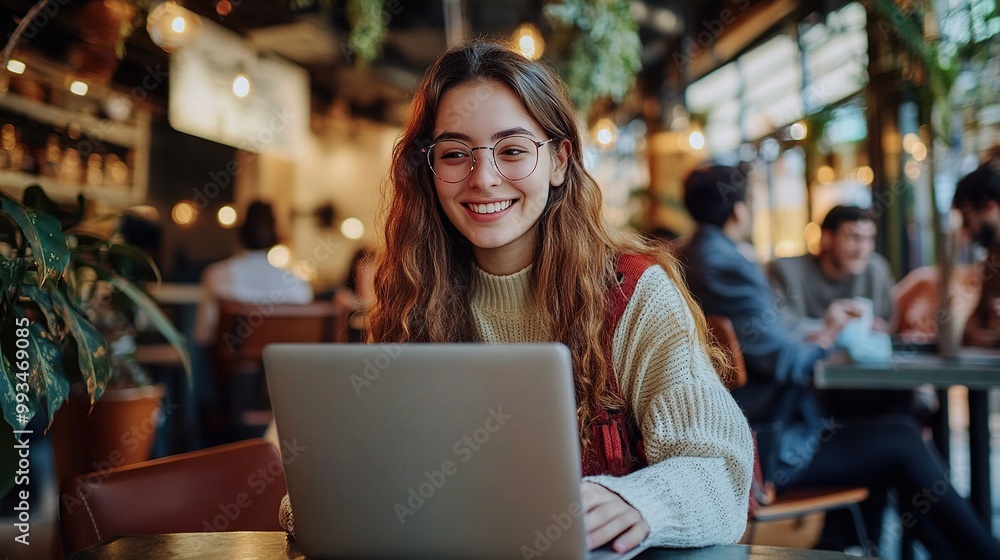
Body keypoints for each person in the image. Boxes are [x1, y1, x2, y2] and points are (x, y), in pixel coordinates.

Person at [280, 40, 754, 552]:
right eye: (455, 153)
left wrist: (642, 502)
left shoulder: (634, 294)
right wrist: (323, 494)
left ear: (558, 161)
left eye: (511, 150)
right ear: (429, 169)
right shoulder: (413, 297)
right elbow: (331, 483)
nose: (483, 179)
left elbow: (720, 475)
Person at [678, 164, 1000, 559]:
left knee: (898, 417)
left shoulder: (695, 255)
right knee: (901, 438)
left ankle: (856, 542)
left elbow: (772, 333)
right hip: (767, 447)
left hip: (758, 427)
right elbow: (784, 362)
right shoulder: (726, 264)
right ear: (740, 211)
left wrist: (817, 330)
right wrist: (828, 334)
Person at [193, 200, 313, 346]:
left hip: (231, 364)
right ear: (276, 234)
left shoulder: (216, 276)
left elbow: (204, 335)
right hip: (280, 366)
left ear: (241, 232)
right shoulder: (296, 284)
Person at [768, 205, 895, 333]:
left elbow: (889, 322)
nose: (862, 249)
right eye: (854, 237)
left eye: (869, 238)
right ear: (826, 238)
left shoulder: (876, 270)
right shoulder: (786, 271)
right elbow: (776, 328)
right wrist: (827, 326)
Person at [952, 158, 1000, 347]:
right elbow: (976, 321)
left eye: (967, 218)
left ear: (989, 207)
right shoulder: (993, 256)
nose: (966, 231)